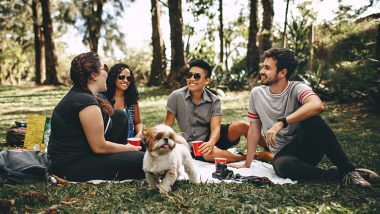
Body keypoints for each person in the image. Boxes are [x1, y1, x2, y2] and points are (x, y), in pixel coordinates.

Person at [231, 48, 378, 187]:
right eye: (263, 67)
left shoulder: (297, 88)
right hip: (284, 155)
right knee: (281, 167)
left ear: (283, 73)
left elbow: (317, 105)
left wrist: (282, 122)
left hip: (307, 146)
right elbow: (254, 130)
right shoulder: (257, 93)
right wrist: (247, 163)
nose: (262, 71)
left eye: (267, 68)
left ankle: (348, 171)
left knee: (313, 119)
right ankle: (336, 175)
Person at [47, 52, 145, 182]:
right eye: (104, 68)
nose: (107, 73)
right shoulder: (85, 102)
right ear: (93, 75)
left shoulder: (82, 95)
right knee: (145, 161)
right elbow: (99, 147)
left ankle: (126, 155)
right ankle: (129, 156)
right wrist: (129, 148)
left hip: (84, 154)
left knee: (119, 116)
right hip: (72, 166)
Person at [164, 59, 272, 163]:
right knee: (210, 153)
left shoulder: (214, 100)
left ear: (207, 80)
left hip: (214, 136)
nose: (191, 79)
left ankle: (271, 149)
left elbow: (216, 128)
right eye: (189, 75)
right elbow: (167, 127)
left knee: (243, 126)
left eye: (196, 76)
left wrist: (211, 142)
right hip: (193, 145)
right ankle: (253, 157)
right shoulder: (176, 97)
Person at [99, 63, 143, 139]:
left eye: (129, 78)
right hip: (111, 143)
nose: (126, 80)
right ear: (113, 78)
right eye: (121, 77)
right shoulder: (102, 98)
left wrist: (139, 134)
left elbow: (138, 122)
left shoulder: (132, 100)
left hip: (130, 142)